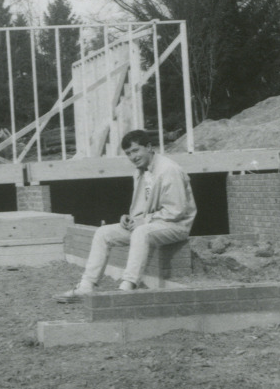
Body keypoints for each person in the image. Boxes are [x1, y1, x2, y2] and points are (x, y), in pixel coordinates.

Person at [56, 128, 196, 300]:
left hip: (175, 225)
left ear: (149, 147)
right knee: (103, 233)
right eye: (128, 153)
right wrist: (130, 218)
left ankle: (127, 287)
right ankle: (86, 286)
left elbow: (176, 210)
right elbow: (143, 208)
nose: (133, 157)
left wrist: (143, 221)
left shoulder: (169, 169)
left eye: (136, 150)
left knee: (141, 232)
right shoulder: (140, 171)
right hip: (151, 224)